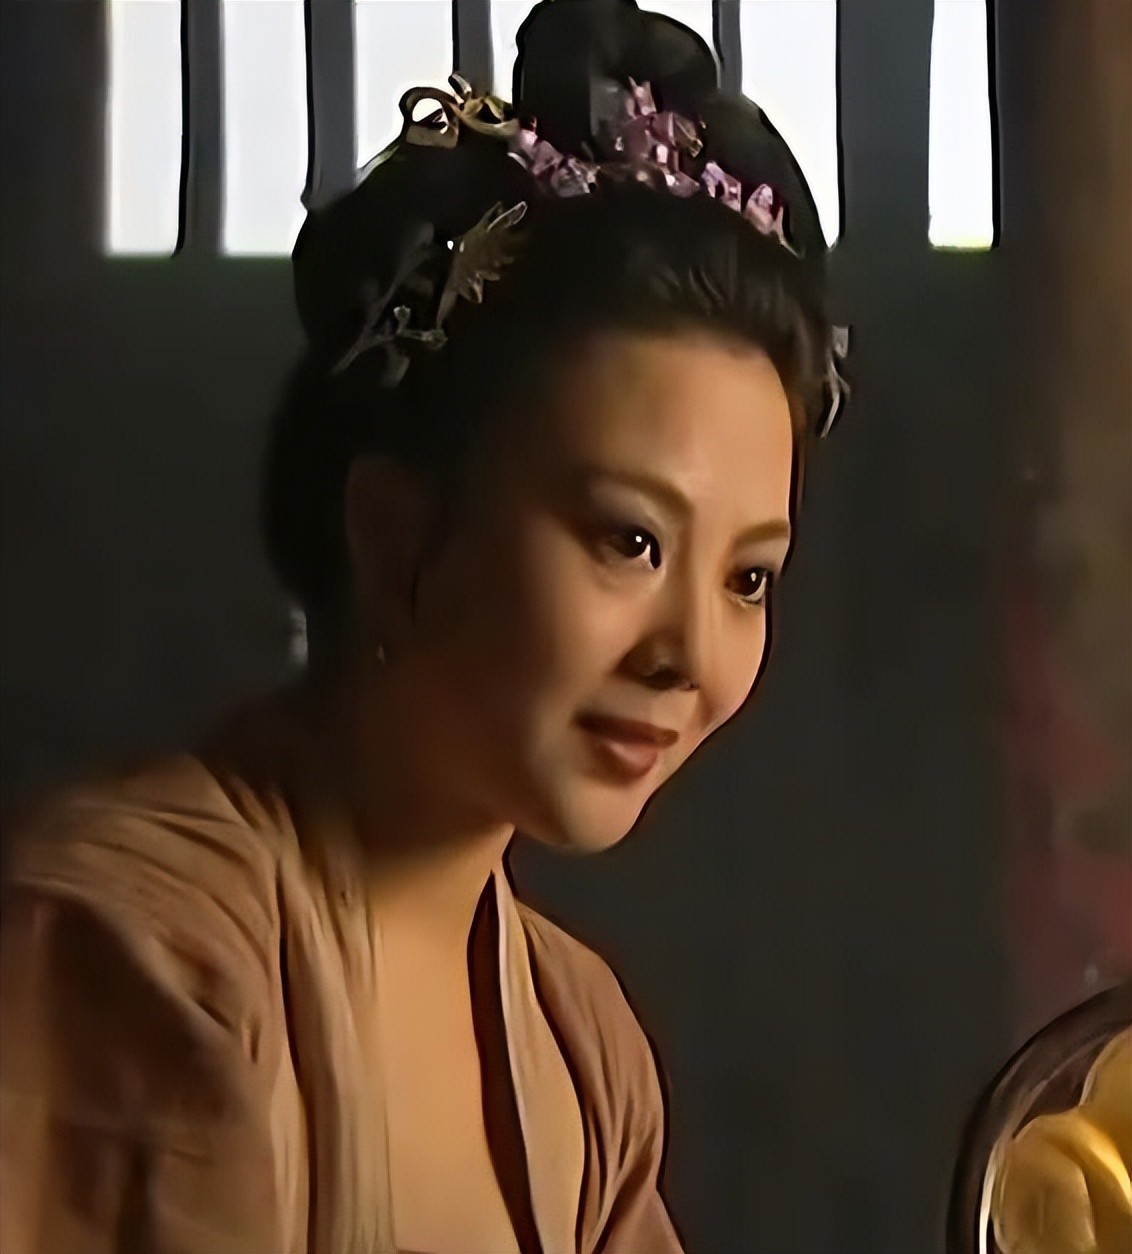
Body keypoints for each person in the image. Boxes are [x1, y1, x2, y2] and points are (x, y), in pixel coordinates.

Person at [0, 2, 846, 1250]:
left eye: (749, 579)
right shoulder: (138, 951)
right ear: (397, 535)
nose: (690, 657)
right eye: (629, 540)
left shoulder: (580, 1044)